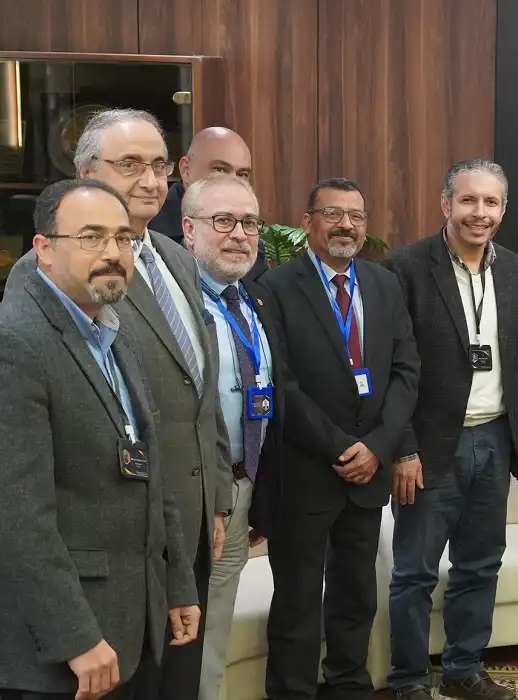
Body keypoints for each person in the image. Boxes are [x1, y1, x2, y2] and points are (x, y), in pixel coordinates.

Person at [5, 108, 233, 700]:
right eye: (130, 164)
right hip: (81, 606)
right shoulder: (32, 310)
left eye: (159, 165)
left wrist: (209, 510)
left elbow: (191, 401)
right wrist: (73, 632)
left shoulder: (152, 280)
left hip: (165, 556)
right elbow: (19, 512)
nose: (150, 180)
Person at [382, 158, 518, 700]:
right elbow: (391, 368)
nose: (480, 213)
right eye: (469, 200)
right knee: (415, 572)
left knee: (480, 565)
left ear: (504, 209)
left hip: (495, 440)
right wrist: (402, 448)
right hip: (429, 448)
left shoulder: (514, 269)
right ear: (446, 204)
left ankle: (463, 670)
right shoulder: (406, 267)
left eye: (491, 202)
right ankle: (409, 680)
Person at [258, 177, 420, 700]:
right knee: (298, 599)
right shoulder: (275, 288)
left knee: (356, 594)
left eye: (355, 215)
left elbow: (406, 371)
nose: (346, 225)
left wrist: (377, 446)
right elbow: (281, 383)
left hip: (368, 471)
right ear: (308, 223)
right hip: (308, 471)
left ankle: (349, 685)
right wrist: (338, 447)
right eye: (332, 214)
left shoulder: (383, 283)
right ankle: (293, 692)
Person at [179, 172, 285, 700]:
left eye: (249, 223)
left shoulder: (249, 299)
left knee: (216, 623)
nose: (239, 234)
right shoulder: (172, 301)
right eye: (223, 221)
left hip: (241, 488)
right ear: (188, 228)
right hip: (193, 494)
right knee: (183, 627)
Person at [149, 126, 268, 278]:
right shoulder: (148, 228)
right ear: (186, 170)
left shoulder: (250, 242)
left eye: (242, 174)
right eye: (219, 170)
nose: (231, 182)